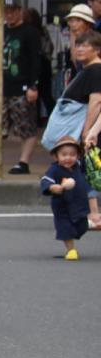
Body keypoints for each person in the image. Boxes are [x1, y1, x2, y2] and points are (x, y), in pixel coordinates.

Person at [59, 29, 101, 229]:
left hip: (91, 131)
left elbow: (96, 101)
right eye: (78, 45)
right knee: (89, 169)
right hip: (90, 130)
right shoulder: (86, 69)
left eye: (86, 45)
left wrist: (88, 130)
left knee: (89, 169)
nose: (80, 49)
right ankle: (92, 213)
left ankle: (94, 214)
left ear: (97, 49)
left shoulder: (95, 70)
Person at [1, 0, 42, 173]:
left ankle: (23, 162)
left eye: (12, 11)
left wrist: (33, 85)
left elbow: (36, 60)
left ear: (20, 11)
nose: (9, 14)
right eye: (6, 11)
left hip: (22, 86)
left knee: (26, 126)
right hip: (1, 86)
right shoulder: (0, 30)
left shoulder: (30, 32)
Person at [41, 137, 90, 260]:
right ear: (56, 156)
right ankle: (71, 250)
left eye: (72, 155)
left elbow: (87, 162)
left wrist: (88, 148)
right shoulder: (54, 169)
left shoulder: (78, 165)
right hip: (62, 205)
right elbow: (45, 180)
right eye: (64, 155)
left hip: (79, 203)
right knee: (65, 228)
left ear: (77, 156)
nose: (68, 158)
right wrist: (52, 187)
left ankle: (73, 235)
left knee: (82, 226)